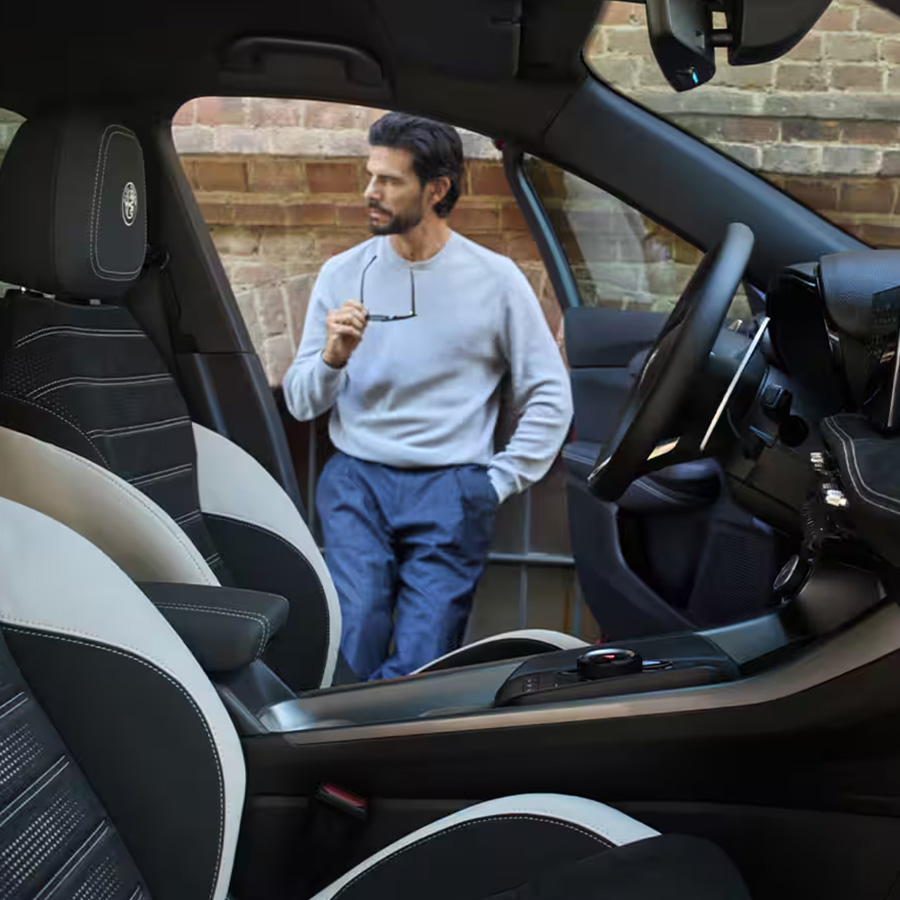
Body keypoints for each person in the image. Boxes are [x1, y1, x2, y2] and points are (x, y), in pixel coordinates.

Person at [282, 112, 573, 681]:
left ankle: (389, 762)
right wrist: (332, 358)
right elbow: (300, 402)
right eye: (370, 176)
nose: (371, 192)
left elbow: (549, 394)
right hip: (356, 481)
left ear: (437, 189)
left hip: (453, 486)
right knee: (354, 631)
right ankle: (337, 759)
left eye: (389, 181)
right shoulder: (342, 273)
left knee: (425, 656)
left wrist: (497, 481)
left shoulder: (496, 279)